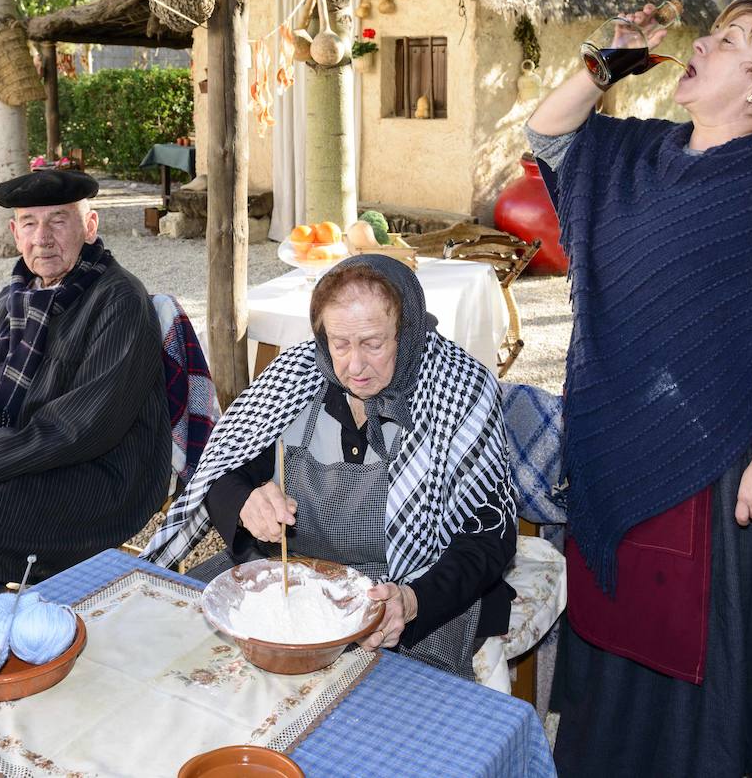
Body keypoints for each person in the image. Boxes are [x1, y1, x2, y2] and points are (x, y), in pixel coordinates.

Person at [525, 0, 752, 776]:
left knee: (693, 663)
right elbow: (546, 134)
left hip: (714, 469)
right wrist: (605, 65)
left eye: (730, 41)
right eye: (711, 33)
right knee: (614, 644)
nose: (704, 45)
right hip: (615, 448)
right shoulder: (638, 151)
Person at [143, 255, 519, 679]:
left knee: (385, 709)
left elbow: (490, 537)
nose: (354, 366)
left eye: (373, 344)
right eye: (339, 343)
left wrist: (413, 601)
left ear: (409, 331)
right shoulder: (294, 378)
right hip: (289, 582)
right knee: (174, 661)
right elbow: (221, 473)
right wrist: (245, 502)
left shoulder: (458, 390)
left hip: (412, 596)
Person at [0, 168, 170, 609]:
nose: (42, 238)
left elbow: (81, 429)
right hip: (16, 459)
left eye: (58, 221)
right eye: (29, 223)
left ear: (90, 226)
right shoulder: (18, 294)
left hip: (100, 476)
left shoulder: (119, 300)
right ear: (15, 234)